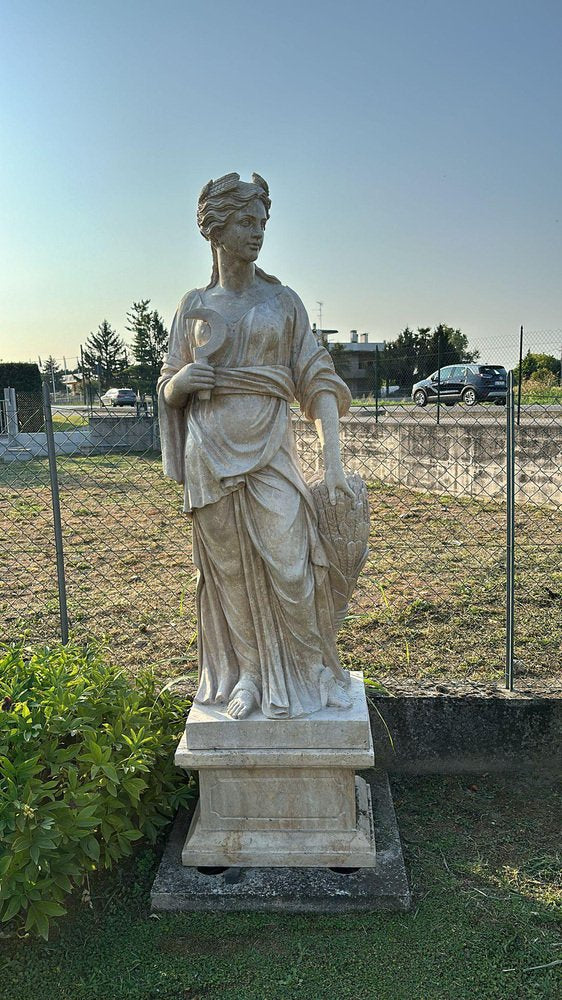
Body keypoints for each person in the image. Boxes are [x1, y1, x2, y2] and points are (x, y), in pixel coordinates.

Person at [158, 172, 353, 720]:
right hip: (207, 453)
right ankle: (246, 674)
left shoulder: (284, 301)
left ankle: (315, 669)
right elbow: (169, 382)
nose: (258, 232)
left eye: (263, 222)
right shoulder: (194, 304)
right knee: (230, 576)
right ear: (215, 230)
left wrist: (333, 464)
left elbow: (318, 379)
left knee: (293, 564)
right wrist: (182, 385)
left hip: (270, 450)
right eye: (247, 222)